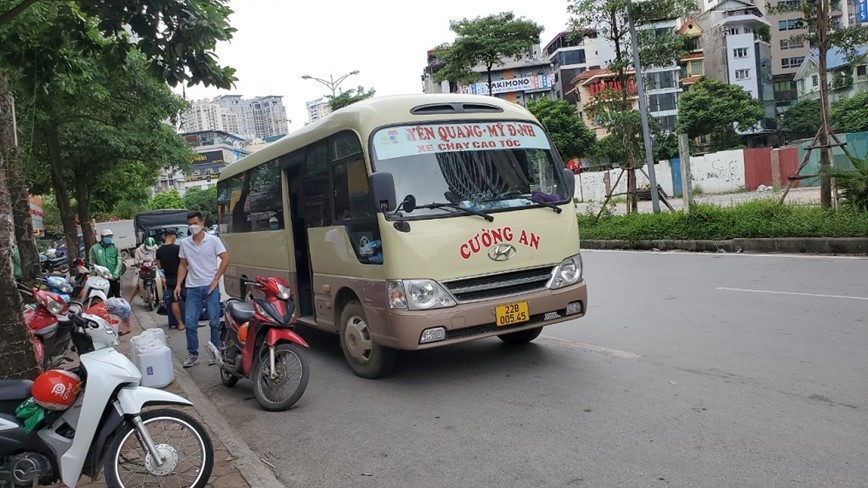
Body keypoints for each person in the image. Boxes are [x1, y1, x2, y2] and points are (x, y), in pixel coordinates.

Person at [174, 212, 229, 367]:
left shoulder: (213, 240)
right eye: (190, 224)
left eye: (195, 223)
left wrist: (216, 278)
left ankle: (215, 351)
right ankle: (193, 354)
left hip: (210, 286)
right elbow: (183, 265)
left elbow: (225, 258)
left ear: (202, 223)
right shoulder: (185, 243)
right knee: (190, 323)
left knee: (214, 322)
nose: (193, 226)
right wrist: (179, 285)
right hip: (192, 287)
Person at [156, 229, 184, 330]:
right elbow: (183, 263)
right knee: (188, 299)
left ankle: (180, 323)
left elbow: (159, 266)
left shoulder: (159, 250)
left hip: (169, 278)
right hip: (181, 277)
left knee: (174, 300)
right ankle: (191, 321)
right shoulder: (178, 248)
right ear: (172, 236)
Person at [127, 237, 163, 305]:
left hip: (153, 268)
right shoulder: (139, 250)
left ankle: (164, 298)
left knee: (162, 280)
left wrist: (156, 262)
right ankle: (129, 301)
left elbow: (159, 258)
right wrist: (142, 262)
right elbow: (136, 261)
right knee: (138, 285)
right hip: (142, 269)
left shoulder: (156, 248)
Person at [89, 228, 123, 298]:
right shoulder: (94, 248)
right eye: (107, 237)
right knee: (107, 296)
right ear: (102, 237)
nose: (109, 238)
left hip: (114, 276)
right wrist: (92, 276)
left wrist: (115, 275)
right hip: (102, 277)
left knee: (118, 295)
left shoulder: (114, 247)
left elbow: (119, 261)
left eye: (110, 237)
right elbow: (92, 263)